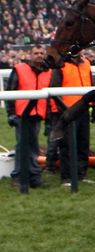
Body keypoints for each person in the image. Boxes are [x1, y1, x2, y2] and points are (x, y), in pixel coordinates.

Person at [4, 45, 53, 188]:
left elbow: (49, 98)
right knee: (23, 146)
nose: (39, 55)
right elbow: (10, 93)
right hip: (21, 115)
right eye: (36, 53)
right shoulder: (19, 69)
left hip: (37, 115)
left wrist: (48, 120)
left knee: (33, 147)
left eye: (41, 53)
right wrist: (11, 114)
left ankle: (33, 176)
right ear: (30, 55)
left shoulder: (48, 72)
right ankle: (19, 177)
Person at [57, 53, 95, 184]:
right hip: (68, 110)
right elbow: (55, 87)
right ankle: (66, 176)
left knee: (83, 143)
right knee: (67, 145)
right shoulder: (61, 64)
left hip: (83, 109)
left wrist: (94, 105)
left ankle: (81, 174)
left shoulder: (86, 63)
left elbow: (90, 84)